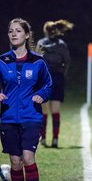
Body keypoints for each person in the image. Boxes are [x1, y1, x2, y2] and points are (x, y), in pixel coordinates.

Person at [0, 18, 52, 181]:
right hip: (8, 119)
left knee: (28, 158)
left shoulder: (38, 61)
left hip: (31, 117)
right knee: (15, 163)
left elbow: (48, 84)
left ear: (27, 35)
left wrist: (42, 94)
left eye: (18, 31)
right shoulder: (0, 62)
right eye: (11, 31)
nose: (14, 34)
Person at [36, 19, 74, 148]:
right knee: (56, 110)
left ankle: (43, 138)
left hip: (44, 79)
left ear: (45, 31)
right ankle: (55, 139)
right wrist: (62, 74)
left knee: (44, 110)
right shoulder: (61, 44)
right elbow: (67, 61)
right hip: (57, 78)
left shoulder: (41, 44)